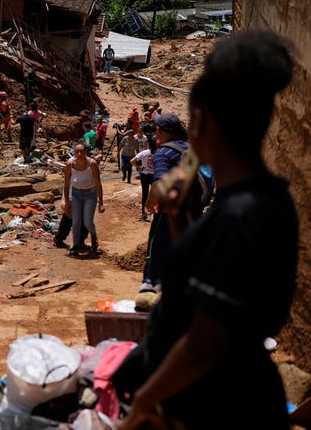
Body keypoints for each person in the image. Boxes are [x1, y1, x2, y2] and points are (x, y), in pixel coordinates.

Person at [114, 30, 297, 430]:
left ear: (200, 122)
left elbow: (206, 342)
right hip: (218, 399)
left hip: (218, 408)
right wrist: (178, 217)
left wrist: (144, 403)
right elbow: (205, 280)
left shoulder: (242, 217)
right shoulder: (260, 201)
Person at [141, 113, 189, 290]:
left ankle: (149, 290)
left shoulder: (163, 151)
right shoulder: (191, 150)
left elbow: (159, 183)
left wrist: (148, 203)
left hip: (167, 214)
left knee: (155, 253)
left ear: (160, 131)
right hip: (193, 214)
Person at [63, 144, 105, 256]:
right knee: (76, 221)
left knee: (87, 221)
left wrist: (101, 203)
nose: (79, 154)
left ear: (86, 152)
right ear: (74, 153)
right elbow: (66, 184)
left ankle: (93, 235)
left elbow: (98, 183)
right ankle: (75, 245)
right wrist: (67, 201)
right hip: (76, 194)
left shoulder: (92, 164)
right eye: (77, 152)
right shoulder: (69, 164)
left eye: (82, 152)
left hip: (90, 194)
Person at [133, 137, 156, 220]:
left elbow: (132, 161)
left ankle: (143, 213)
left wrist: (139, 167)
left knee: (145, 194)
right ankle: (155, 213)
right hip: (155, 176)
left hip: (145, 175)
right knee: (155, 194)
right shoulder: (159, 153)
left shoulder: (144, 153)